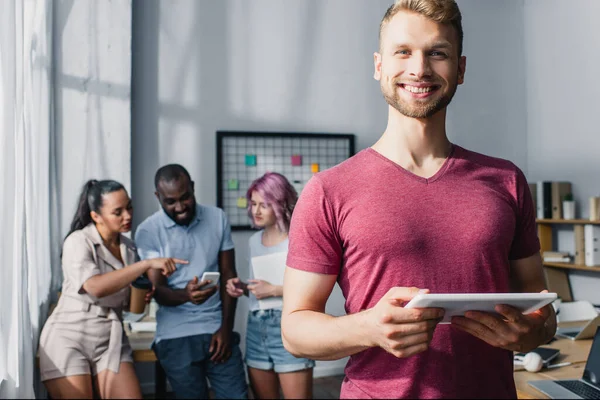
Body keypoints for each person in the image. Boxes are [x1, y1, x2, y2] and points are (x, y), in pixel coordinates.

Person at [280, 1, 557, 398]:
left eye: (437, 53)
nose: (419, 69)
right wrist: (368, 327)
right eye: (403, 51)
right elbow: (294, 332)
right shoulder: (328, 190)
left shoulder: (506, 180)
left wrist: (533, 332)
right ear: (378, 65)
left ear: (460, 69)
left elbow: (541, 311)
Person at [38, 179, 184, 399]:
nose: (127, 216)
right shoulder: (78, 242)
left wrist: (142, 295)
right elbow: (94, 287)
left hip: (111, 339)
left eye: (129, 207)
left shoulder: (129, 248)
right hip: (69, 338)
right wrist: (144, 265)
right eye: (118, 212)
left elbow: (130, 309)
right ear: (96, 216)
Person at [135, 164, 247, 399]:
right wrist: (186, 296)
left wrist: (226, 329)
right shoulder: (148, 231)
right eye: (170, 202)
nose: (180, 207)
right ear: (158, 197)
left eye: (185, 198)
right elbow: (159, 292)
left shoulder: (217, 218)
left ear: (193, 188)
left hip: (217, 330)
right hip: (175, 336)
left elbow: (229, 276)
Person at [226, 172, 315, 399]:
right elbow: (260, 289)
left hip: (289, 324)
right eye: (253, 203)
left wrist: (274, 289)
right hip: (257, 327)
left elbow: (313, 289)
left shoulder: (299, 238)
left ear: (280, 203)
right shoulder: (253, 241)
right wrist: (242, 288)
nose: (255, 211)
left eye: (263, 205)